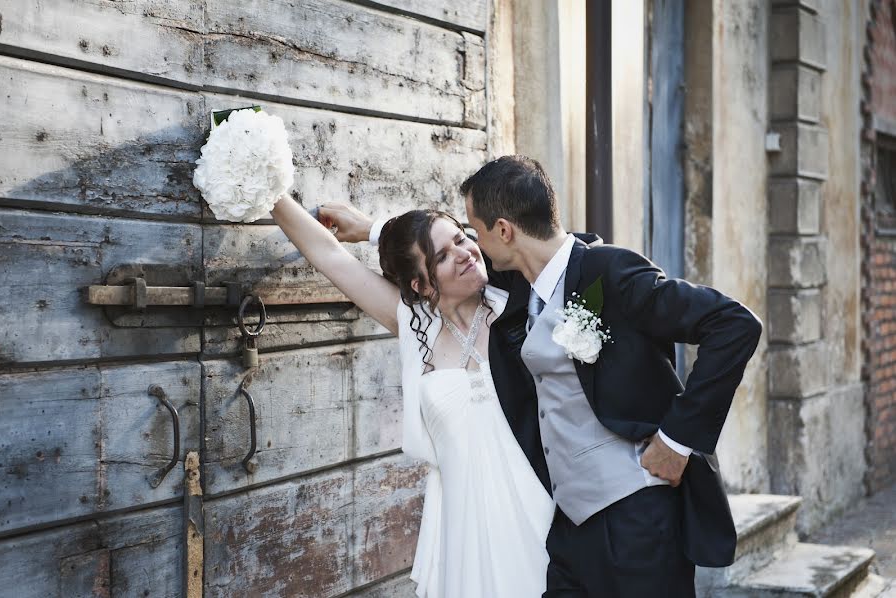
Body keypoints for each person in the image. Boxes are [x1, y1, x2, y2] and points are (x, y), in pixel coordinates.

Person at [324, 155, 763, 597]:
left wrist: (677, 438)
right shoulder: (517, 291)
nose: (471, 245)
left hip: (638, 516)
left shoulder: (609, 271)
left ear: (504, 231)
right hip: (569, 530)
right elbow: (431, 258)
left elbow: (735, 324)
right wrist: (371, 229)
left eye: (473, 230)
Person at [270, 195, 554, 598]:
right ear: (419, 284)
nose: (465, 254)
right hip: (464, 521)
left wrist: (372, 228)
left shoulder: (520, 303)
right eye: (443, 255)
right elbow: (329, 256)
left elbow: (563, 251)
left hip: (541, 503)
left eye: (462, 238)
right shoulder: (413, 325)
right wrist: (266, 187)